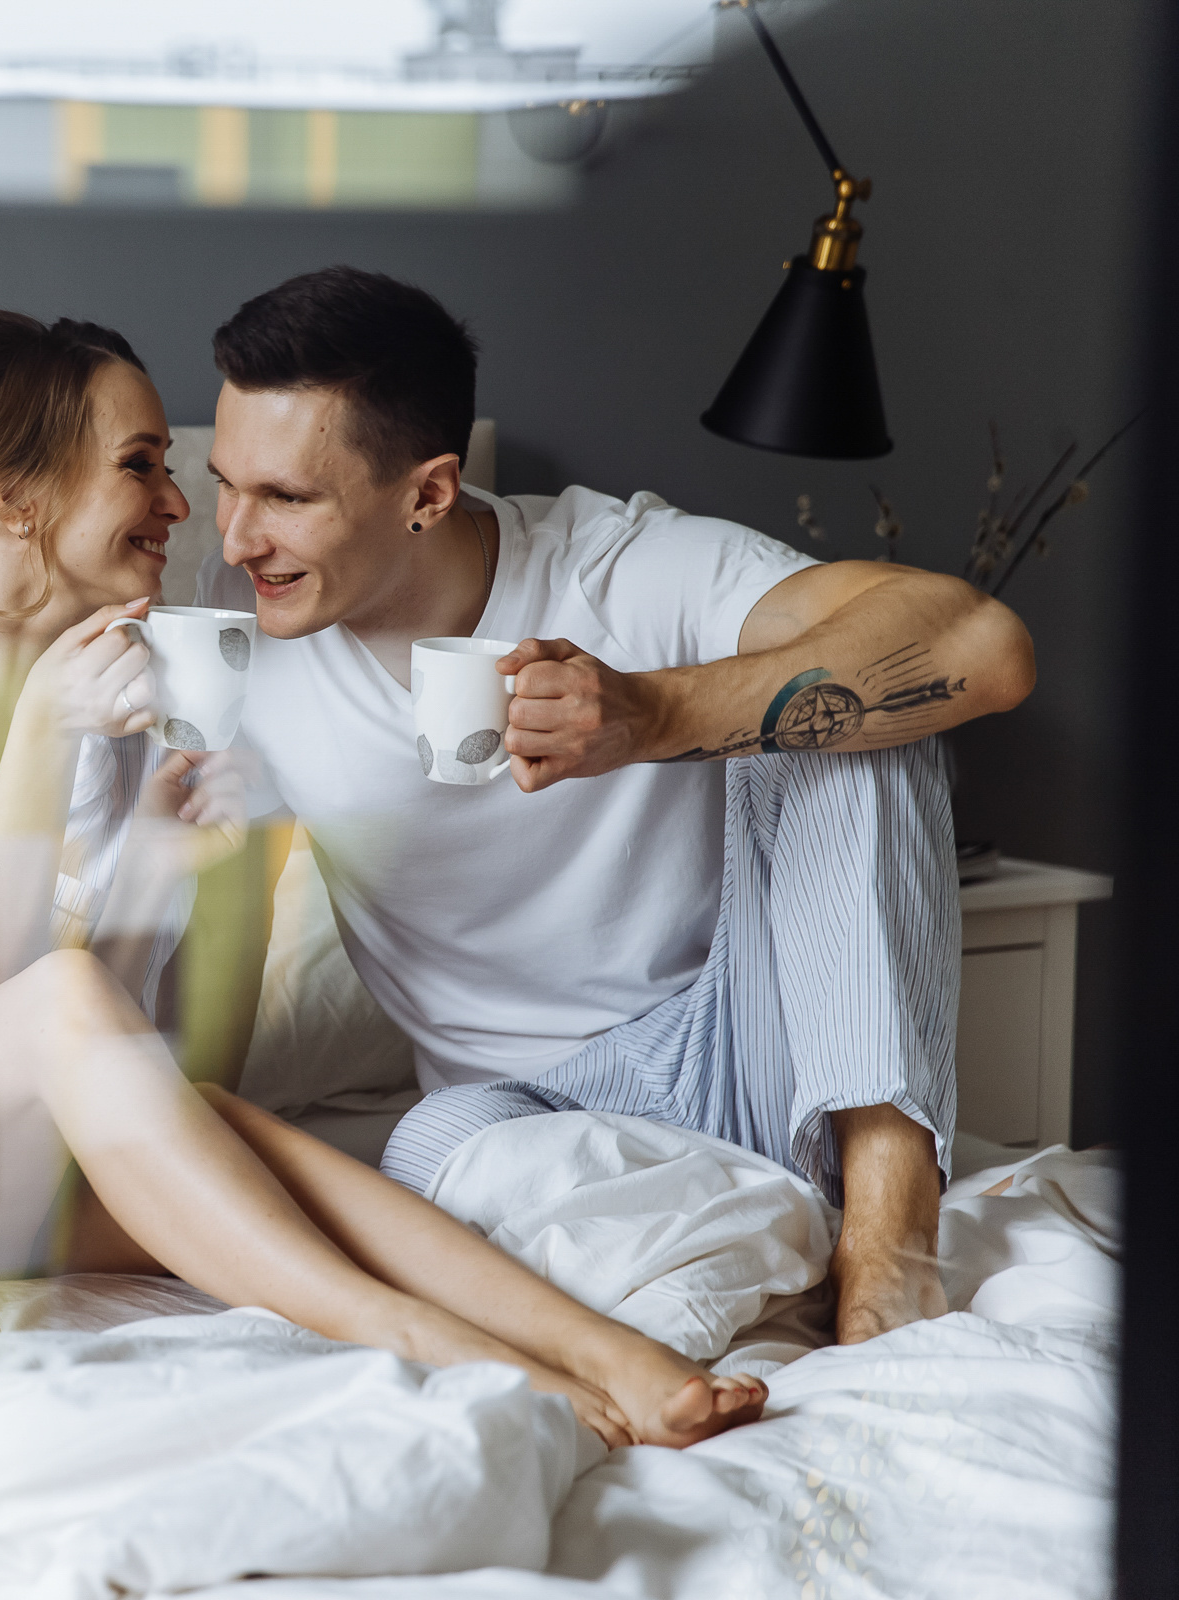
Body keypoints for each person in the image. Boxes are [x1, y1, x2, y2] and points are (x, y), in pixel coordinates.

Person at [0, 306, 767, 1449]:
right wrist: (46, 738)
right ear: (17, 498)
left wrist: (155, 873)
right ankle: (431, 1344)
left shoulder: (139, 685)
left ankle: (601, 1348)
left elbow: (120, 1041)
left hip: (14, 1162)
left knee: (242, 1139)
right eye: (141, 465)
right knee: (83, 1020)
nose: (185, 509)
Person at [197, 265, 1035, 1346]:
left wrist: (654, 712)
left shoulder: (619, 567)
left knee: (856, 708)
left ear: (429, 494)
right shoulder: (228, 631)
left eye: (285, 499)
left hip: (744, 1047)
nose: (236, 538)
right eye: (224, 485)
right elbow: (217, 919)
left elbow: (984, 648)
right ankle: (751, 1241)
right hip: (525, 1115)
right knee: (422, 1151)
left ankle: (886, 1250)